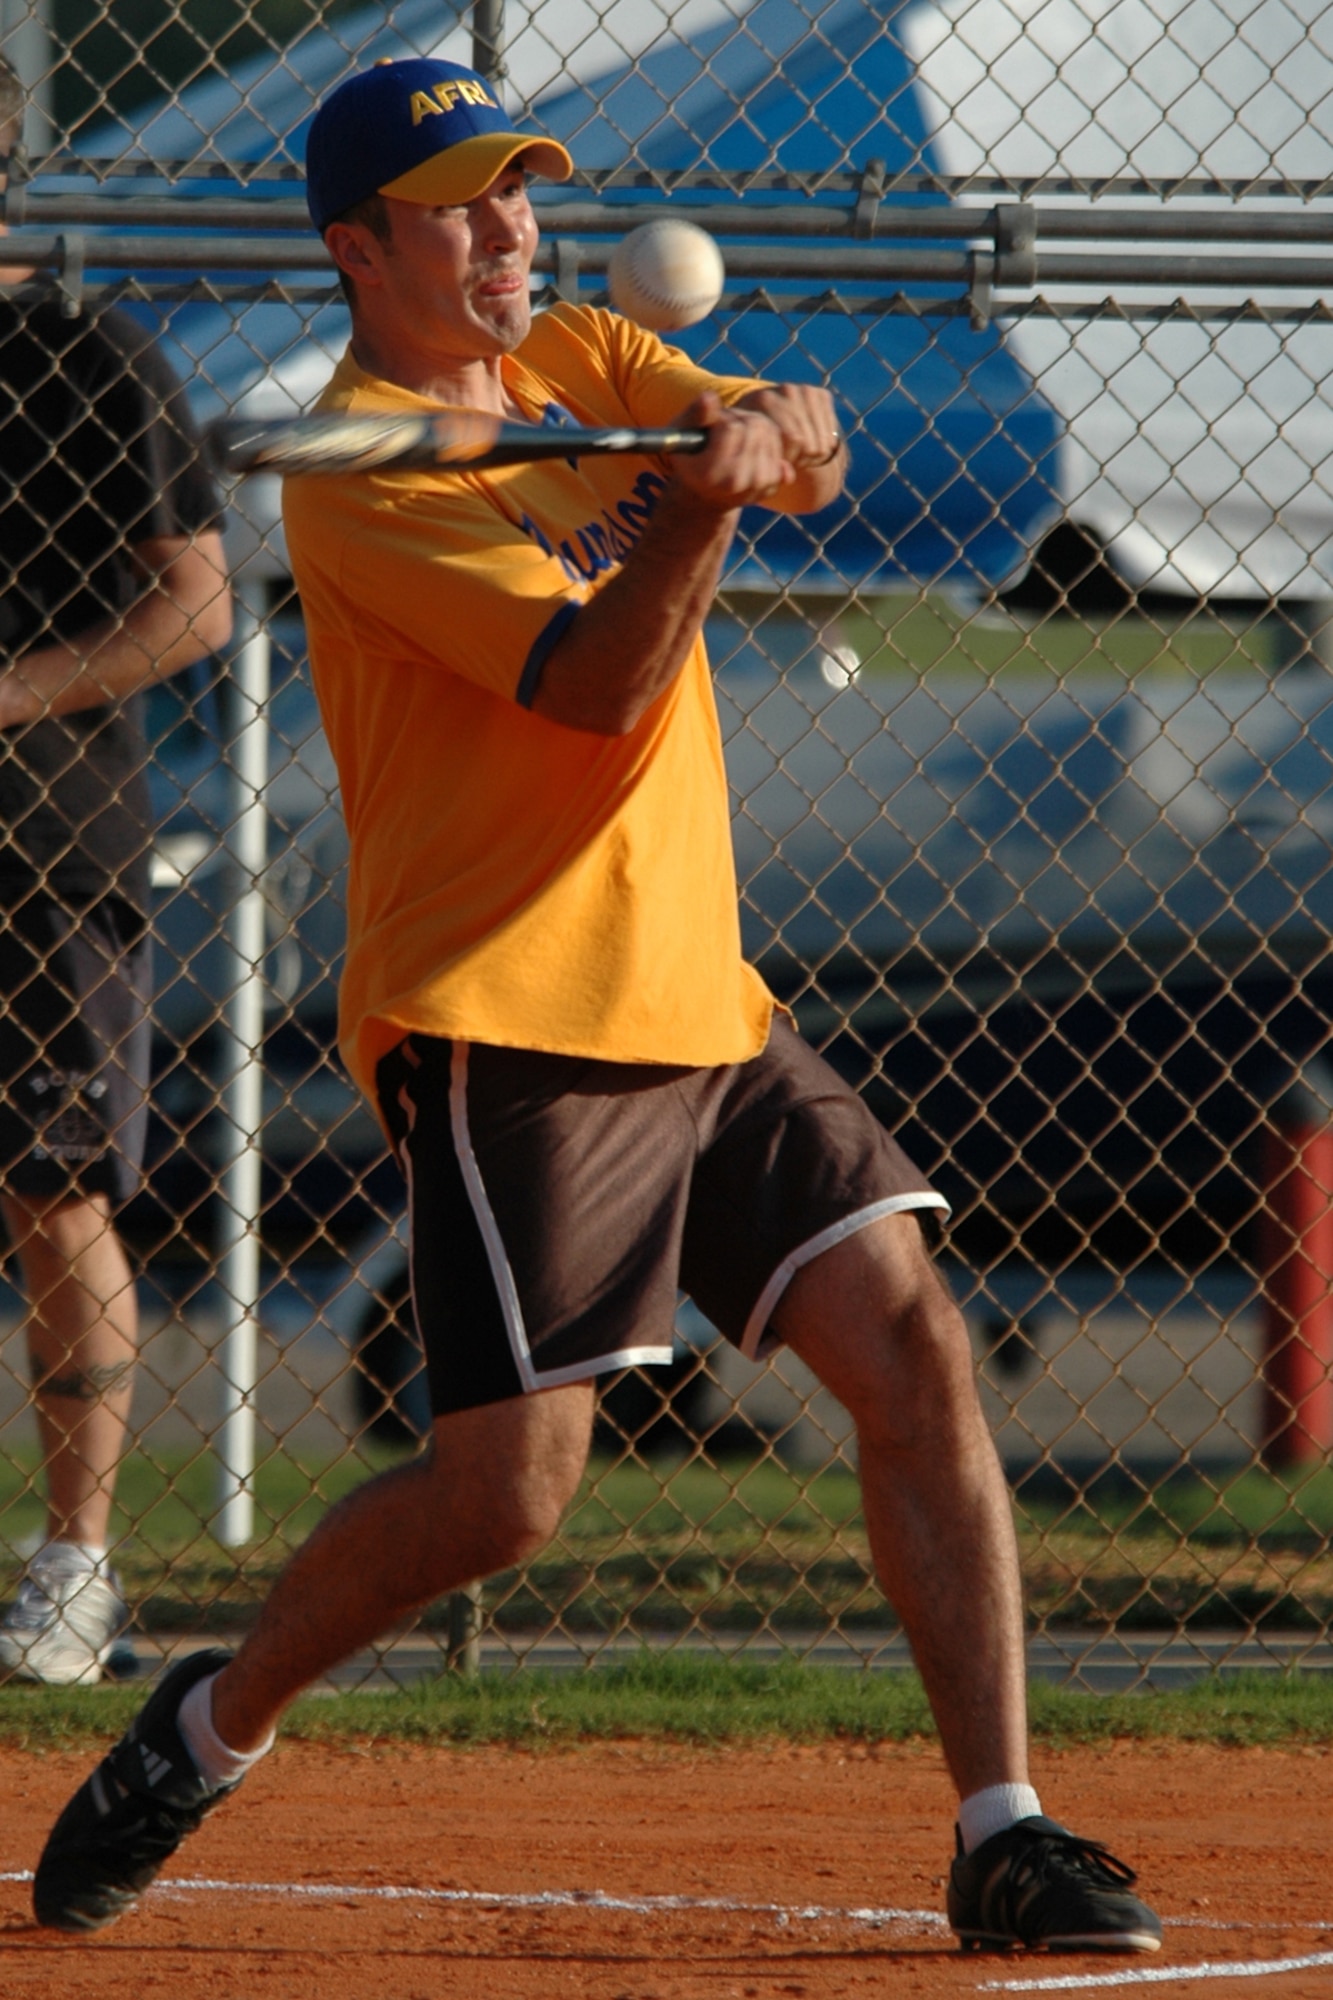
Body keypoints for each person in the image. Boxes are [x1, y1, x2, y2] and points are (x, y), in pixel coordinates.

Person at [32, 57, 1161, 1955]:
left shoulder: (574, 354)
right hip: (513, 1016)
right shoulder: (369, 481)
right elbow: (595, 691)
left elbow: (797, 457)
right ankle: (206, 1727)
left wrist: (758, 443)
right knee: (507, 1499)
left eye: (515, 189)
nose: (507, 228)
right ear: (358, 249)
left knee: (913, 1350)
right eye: (459, 203)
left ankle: (1003, 1827)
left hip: (700, 996)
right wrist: (695, 515)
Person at [0, 58, 233, 1686]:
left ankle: (75, 1575)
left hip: (40, 848)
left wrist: (5, 691)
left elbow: (197, 605)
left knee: (53, 1193)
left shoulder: (87, 361)